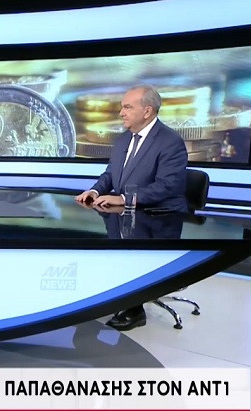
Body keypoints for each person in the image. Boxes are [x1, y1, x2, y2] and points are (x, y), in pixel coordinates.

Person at [74, 84, 188, 331]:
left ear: (147, 111)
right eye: (122, 107)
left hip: (158, 219)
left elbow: (167, 186)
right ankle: (112, 298)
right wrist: (95, 191)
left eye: (127, 107)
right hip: (126, 217)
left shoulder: (170, 141)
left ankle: (134, 310)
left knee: (130, 254)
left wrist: (125, 199)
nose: (121, 113)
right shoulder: (124, 138)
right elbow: (110, 174)